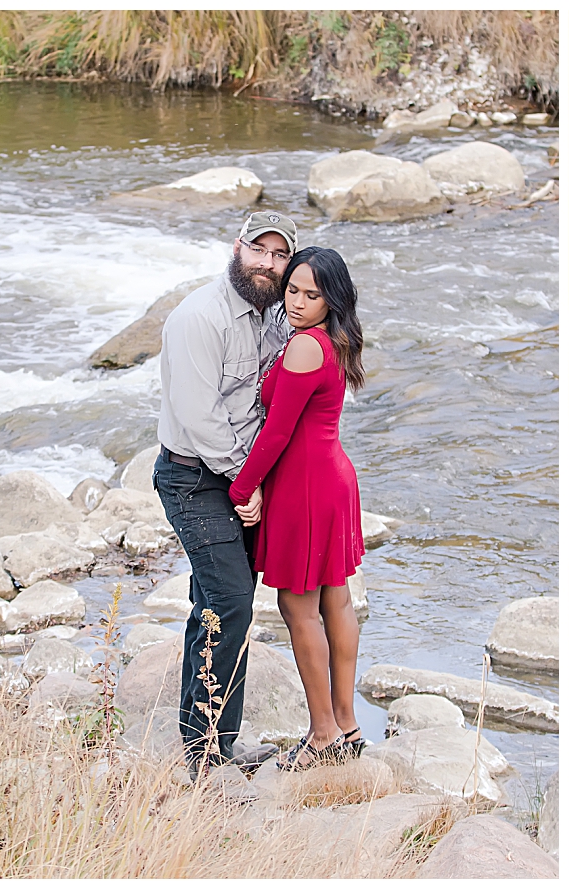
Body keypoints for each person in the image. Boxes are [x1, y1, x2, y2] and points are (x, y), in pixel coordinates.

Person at [155, 211, 298, 781]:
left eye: (279, 254)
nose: (266, 263)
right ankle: (206, 755)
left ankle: (211, 744)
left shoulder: (277, 318)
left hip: (241, 478)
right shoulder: (200, 317)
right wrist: (247, 485)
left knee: (218, 602)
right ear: (236, 248)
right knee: (234, 598)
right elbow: (199, 417)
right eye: (257, 250)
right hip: (194, 477)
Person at [227, 246, 367, 771]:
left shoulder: (305, 347)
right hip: (333, 474)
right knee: (338, 601)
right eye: (293, 291)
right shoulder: (338, 339)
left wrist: (241, 489)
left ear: (332, 298)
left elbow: (278, 431)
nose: (298, 303)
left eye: (313, 295)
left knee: (298, 608)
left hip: (307, 484)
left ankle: (323, 734)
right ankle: (347, 724)